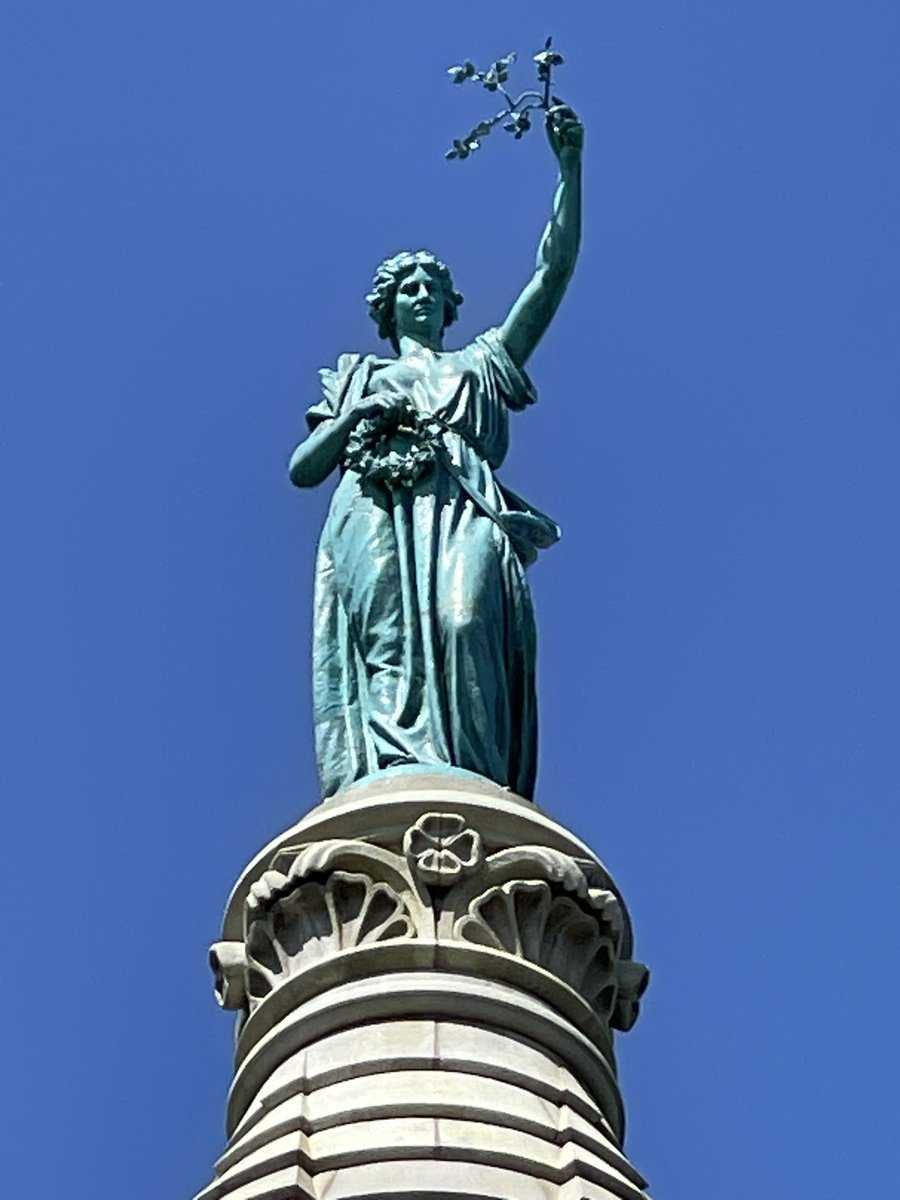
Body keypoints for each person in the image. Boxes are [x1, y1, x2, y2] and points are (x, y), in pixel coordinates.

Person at [289, 105, 584, 800]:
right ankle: (390, 777)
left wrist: (571, 168)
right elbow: (303, 469)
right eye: (406, 288)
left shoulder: (482, 365)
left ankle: (474, 784)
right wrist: (357, 416)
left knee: (465, 620)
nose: (420, 295)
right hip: (373, 507)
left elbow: (554, 273)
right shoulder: (357, 375)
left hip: (463, 507)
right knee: (385, 645)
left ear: (452, 305)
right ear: (387, 309)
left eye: (432, 287)